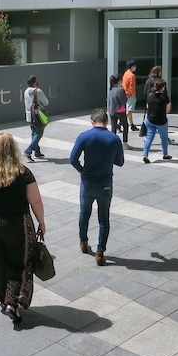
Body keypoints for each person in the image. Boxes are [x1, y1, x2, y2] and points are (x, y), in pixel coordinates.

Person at [0, 133, 45, 324]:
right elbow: (35, 200)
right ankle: (14, 303)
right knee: (20, 262)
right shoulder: (22, 172)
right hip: (16, 223)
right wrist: (41, 222)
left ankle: (3, 299)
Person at [70, 108, 125, 266]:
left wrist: (81, 170)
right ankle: (100, 252)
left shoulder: (84, 137)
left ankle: (83, 242)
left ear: (92, 121)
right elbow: (120, 162)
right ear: (106, 122)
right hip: (105, 183)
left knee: (84, 213)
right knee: (103, 218)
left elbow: (73, 159)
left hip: (87, 181)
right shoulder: (114, 139)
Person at [142, 80, 172, 164]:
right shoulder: (165, 97)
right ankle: (165, 154)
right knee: (164, 138)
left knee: (149, 138)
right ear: (163, 87)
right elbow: (167, 109)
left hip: (150, 120)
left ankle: (145, 155)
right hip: (161, 121)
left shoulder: (150, 96)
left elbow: (148, 107)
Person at [23, 75, 49, 162]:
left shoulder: (26, 91)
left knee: (34, 133)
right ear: (35, 82)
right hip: (38, 115)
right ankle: (28, 151)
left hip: (29, 115)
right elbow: (46, 102)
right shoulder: (38, 91)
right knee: (39, 133)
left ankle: (37, 152)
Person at [107, 74, 130, 149]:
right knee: (125, 126)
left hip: (112, 110)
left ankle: (112, 143)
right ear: (119, 81)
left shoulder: (111, 89)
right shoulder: (120, 90)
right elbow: (124, 101)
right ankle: (125, 143)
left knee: (113, 127)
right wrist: (126, 96)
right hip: (120, 110)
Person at [122, 60, 138, 131]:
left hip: (125, 93)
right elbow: (132, 86)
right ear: (132, 66)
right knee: (129, 110)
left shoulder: (125, 73)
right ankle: (120, 123)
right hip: (130, 94)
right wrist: (133, 94)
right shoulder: (132, 75)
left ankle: (132, 124)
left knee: (129, 110)